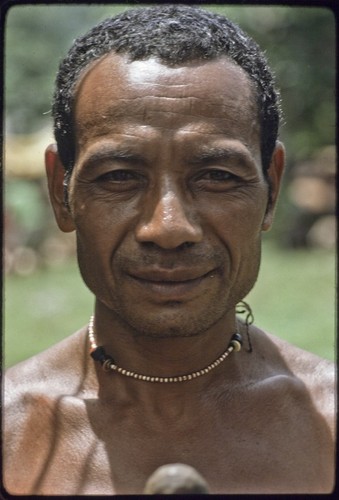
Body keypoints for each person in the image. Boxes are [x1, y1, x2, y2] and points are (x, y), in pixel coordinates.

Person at [3, 5, 335, 495]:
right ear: (61, 192)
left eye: (218, 177)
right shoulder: (13, 433)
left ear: (272, 187)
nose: (168, 227)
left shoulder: (327, 424)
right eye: (119, 177)